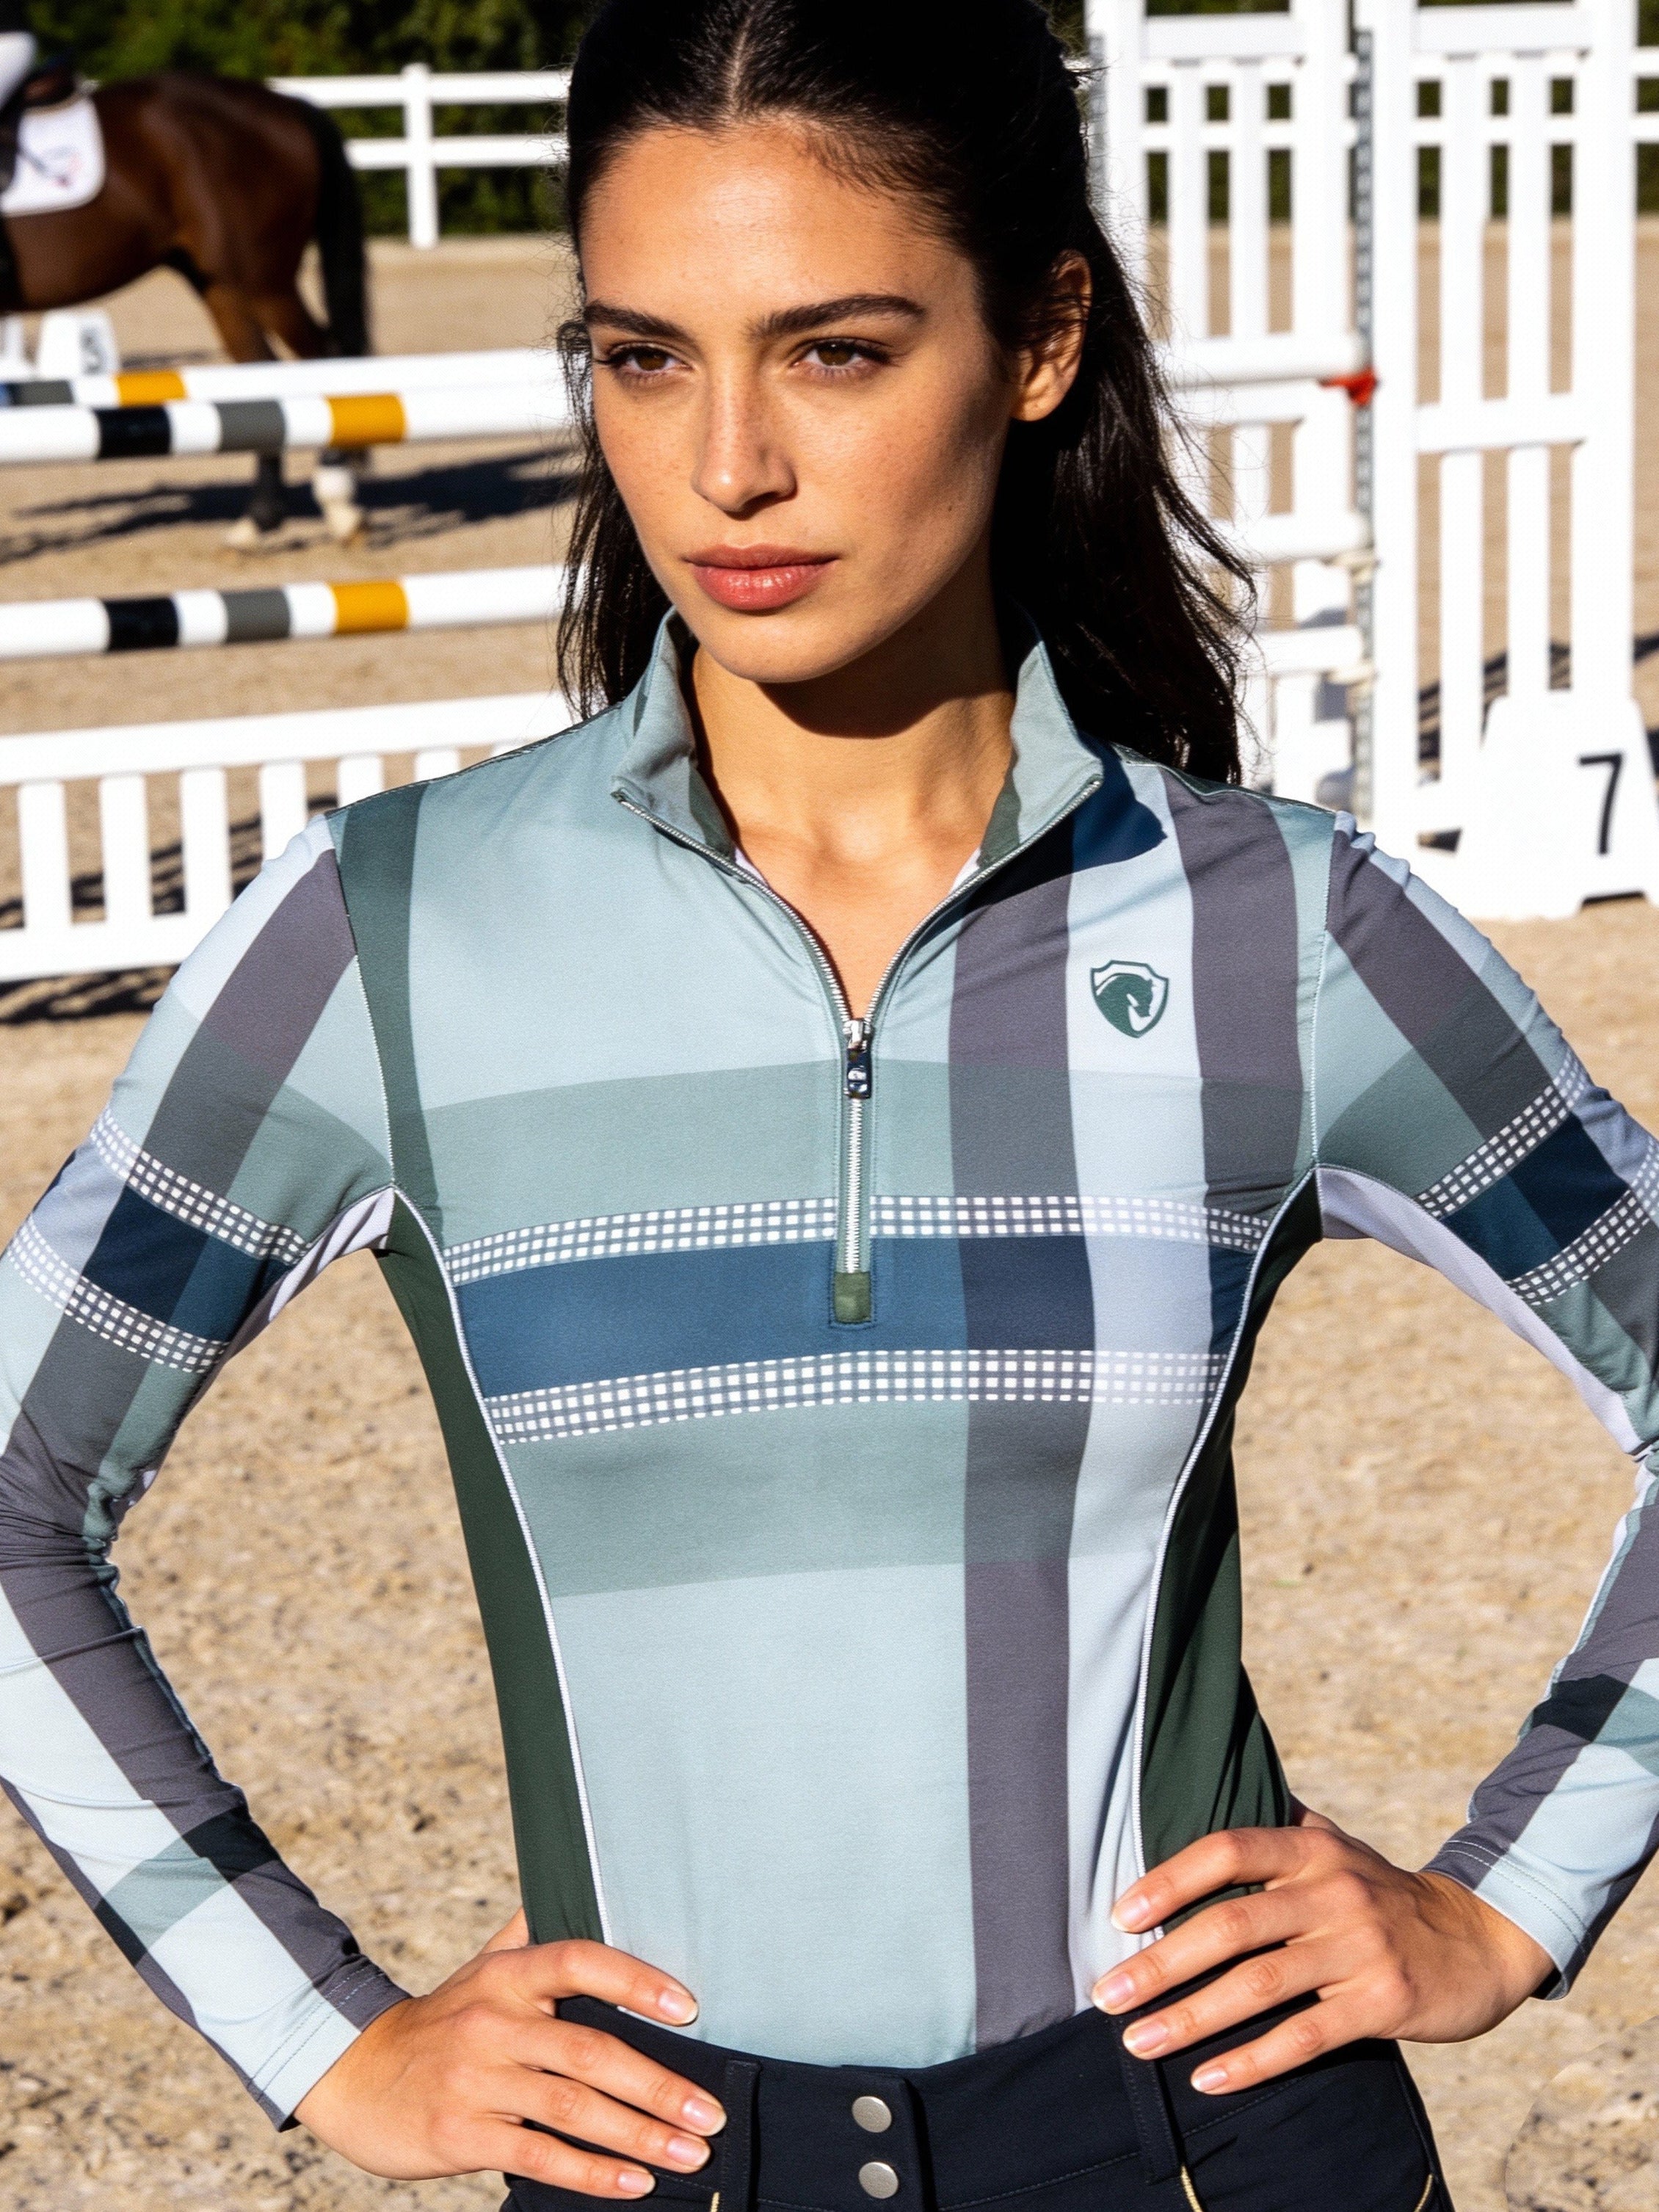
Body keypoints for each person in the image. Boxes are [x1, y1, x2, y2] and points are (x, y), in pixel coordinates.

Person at [1, 1, 1655, 2205]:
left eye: (838, 351)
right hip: (655, 2167)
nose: (726, 470)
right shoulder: (384, 938)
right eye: (644, 357)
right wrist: (328, 2041)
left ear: (1042, 335)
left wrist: (1502, 1901)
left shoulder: (1284, 925)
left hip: (1210, 2150)